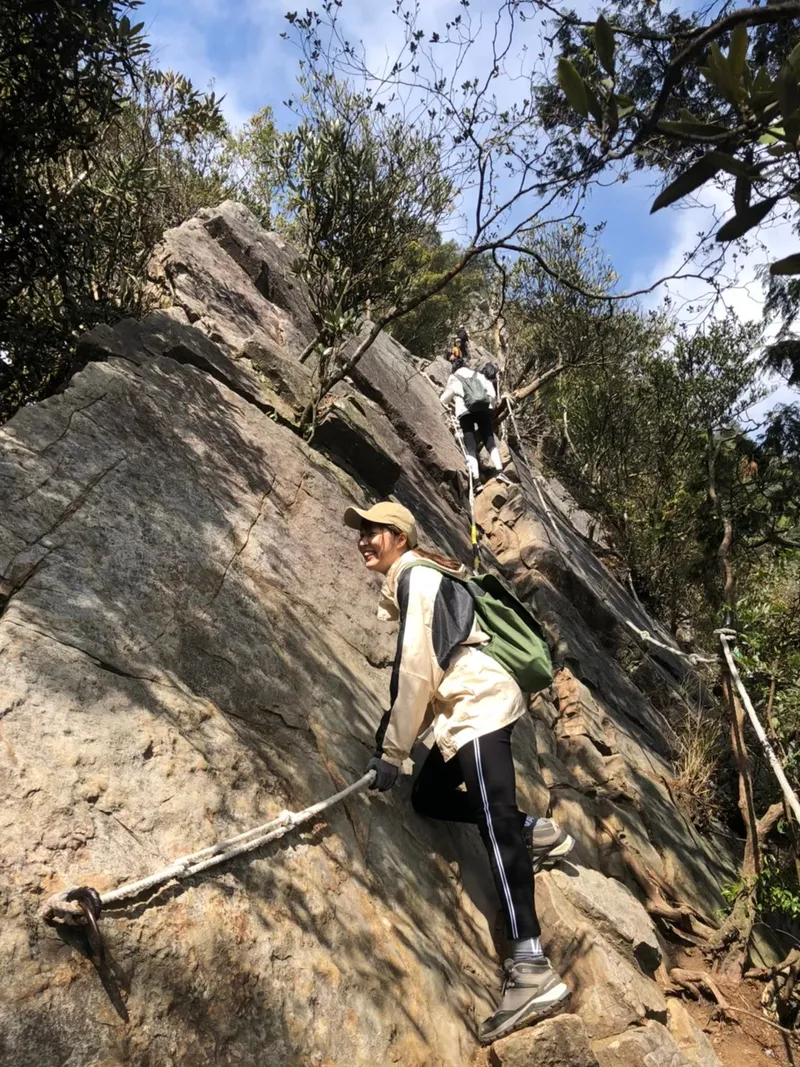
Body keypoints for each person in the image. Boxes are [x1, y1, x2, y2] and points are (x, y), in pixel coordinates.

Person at [343, 500, 574, 1044]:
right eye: (362, 532)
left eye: (373, 531)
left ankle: (530, 966)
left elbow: (416, 673)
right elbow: (427, 675)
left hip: (479, 705)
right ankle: (527, 830)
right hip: (467, 709)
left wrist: (393, 753)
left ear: (399, 537)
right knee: (429, 798)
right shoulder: (419, 577)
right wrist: (397, 753)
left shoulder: (417, 579)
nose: (363, 540)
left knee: (492, 819)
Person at [440, 356, 508, 488]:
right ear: (466, 365)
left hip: (465, 413)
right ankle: (500, 471)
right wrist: (490, 407)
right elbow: (492, 395)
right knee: (490, 443)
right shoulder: (478, 375)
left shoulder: (454, 378)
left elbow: (444, 399)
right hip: (483, 410)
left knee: (470, 447)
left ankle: (476, 482)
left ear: (455, 368)